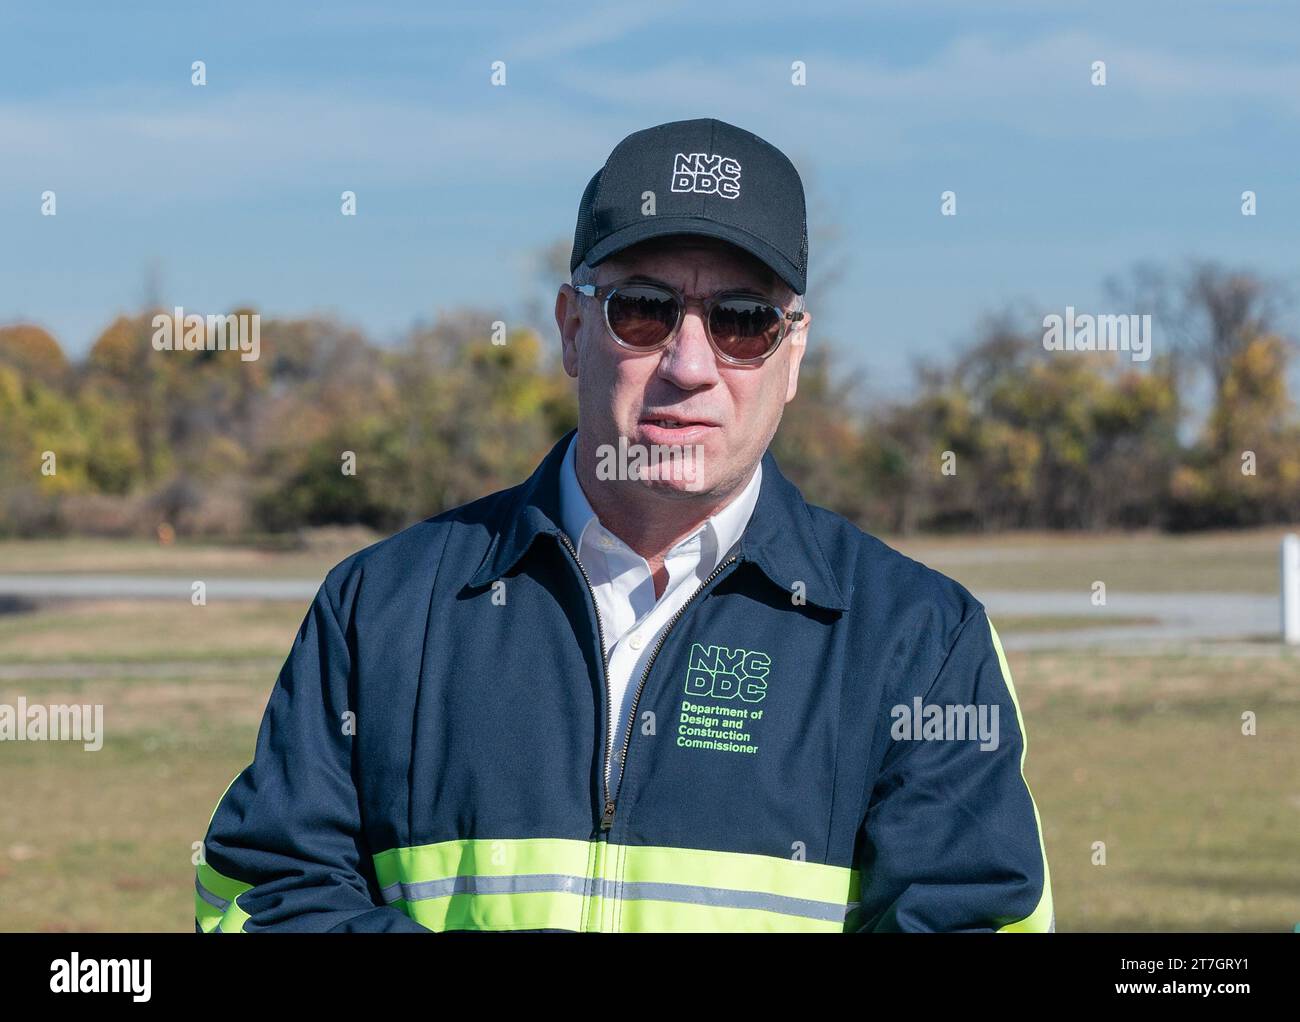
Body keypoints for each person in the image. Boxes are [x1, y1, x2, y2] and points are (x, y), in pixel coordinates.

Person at [196, 117, 1053, 933]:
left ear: (793, 357)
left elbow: (974, 916)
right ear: (572, 330)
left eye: (743, 322)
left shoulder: (922, 639)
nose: (689, 366)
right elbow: (261, 890)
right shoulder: (378, 608)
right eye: (642, 311)